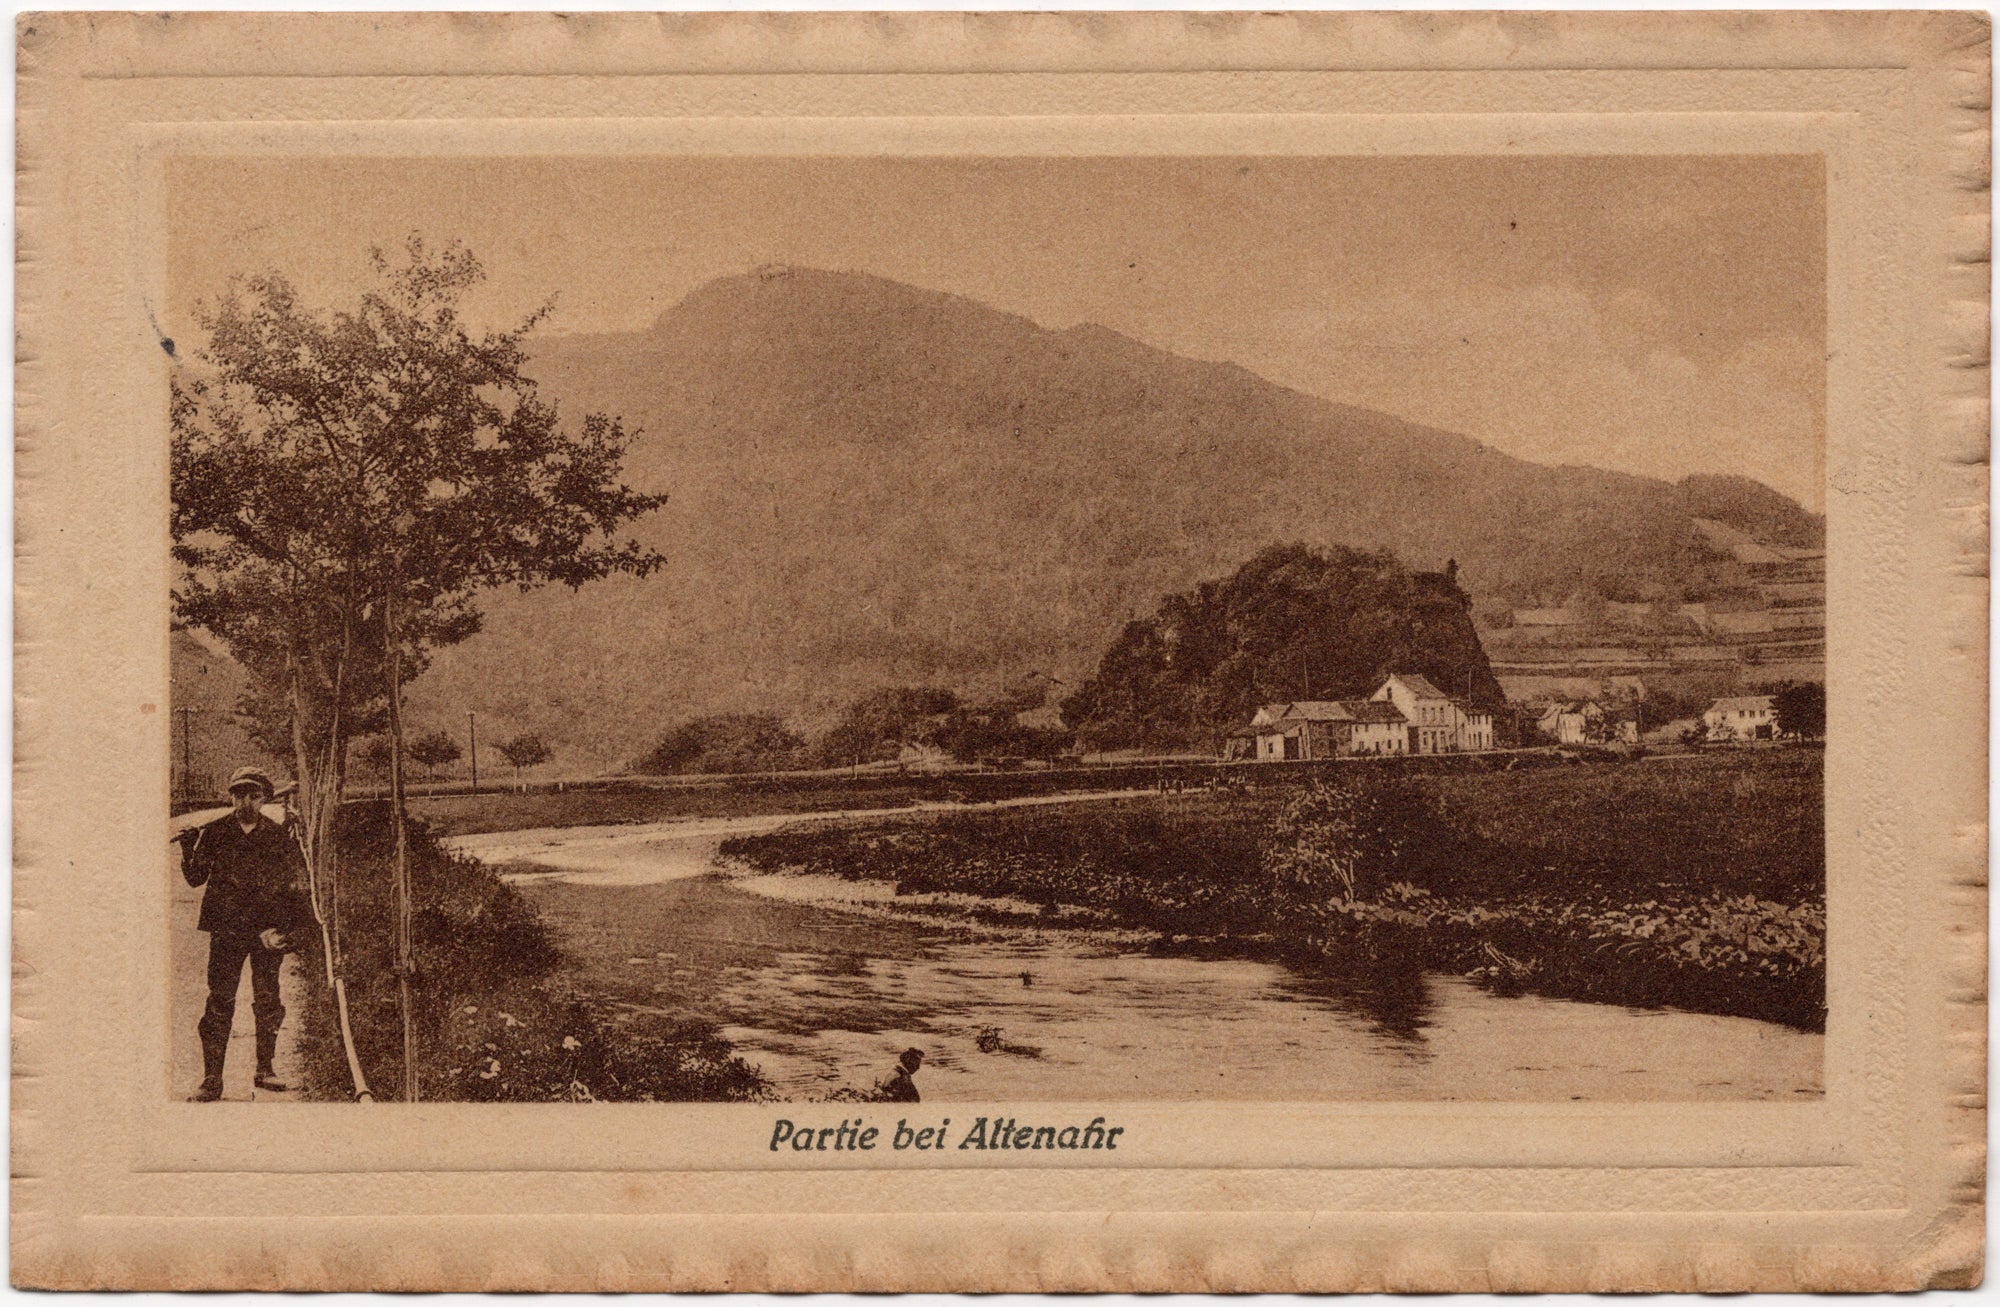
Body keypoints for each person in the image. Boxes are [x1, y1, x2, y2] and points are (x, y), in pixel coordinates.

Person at [178, 766, 312, 1102]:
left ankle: (265, 1068)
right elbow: (195, 878)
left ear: (265, 799)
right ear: (231, 797)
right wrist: (187, 848)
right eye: (239, 795)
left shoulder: (277, 835)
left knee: (268, 999)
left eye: (253, 795)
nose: (246, 802)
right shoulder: (216, 832)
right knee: (219, 1001)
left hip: (266, 931)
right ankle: (212, 1079)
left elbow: (292, 886)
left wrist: (289, 931)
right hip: (226, 929)